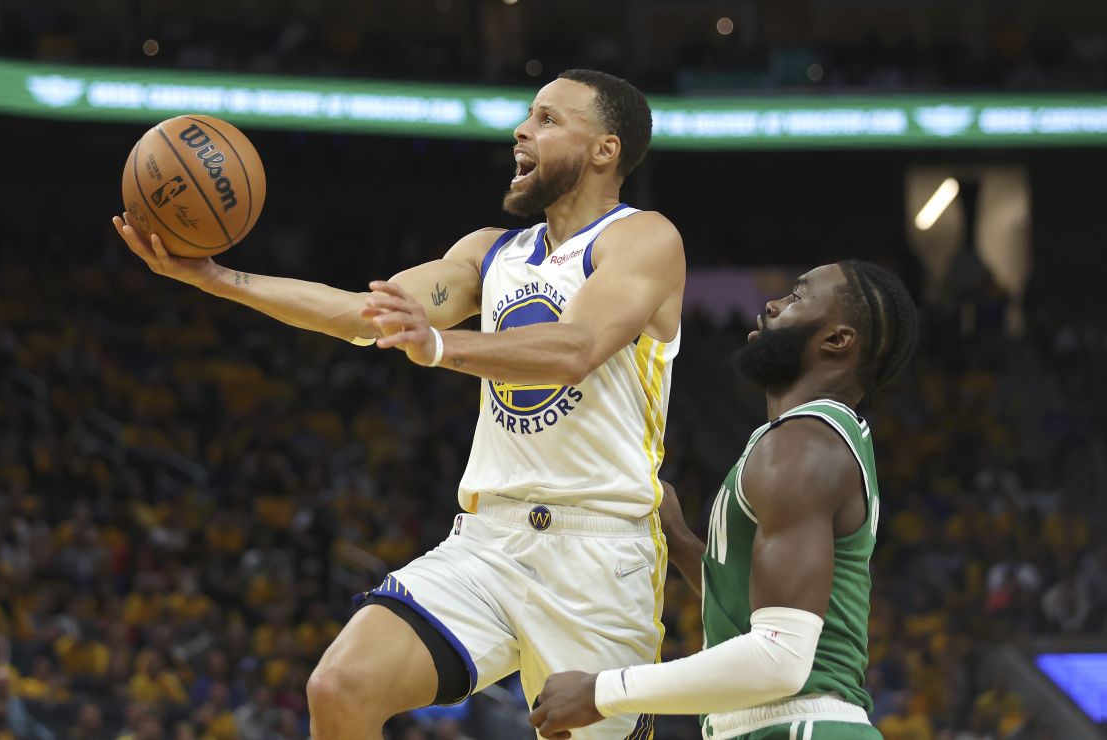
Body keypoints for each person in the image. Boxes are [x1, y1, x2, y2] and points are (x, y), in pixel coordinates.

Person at [113, 68, 685, 740]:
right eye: (528, 116)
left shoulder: (642, 238)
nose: (521, 130)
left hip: (598, 555)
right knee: (340, 687)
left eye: (548, 119)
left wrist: (442, 346)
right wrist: (215, 278)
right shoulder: (491, 252)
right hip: (490, 541)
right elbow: (363, 315)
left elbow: (578, 347)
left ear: (604, 150)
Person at [529, 261, 917, 739]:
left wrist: (600, 692)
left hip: (801, 724)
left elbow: (779, 660)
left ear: (836, 340)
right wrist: (678, 537)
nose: (772, 304)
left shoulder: (804, 445)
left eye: (796, 297)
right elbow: (750, 604)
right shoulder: (807, 440)